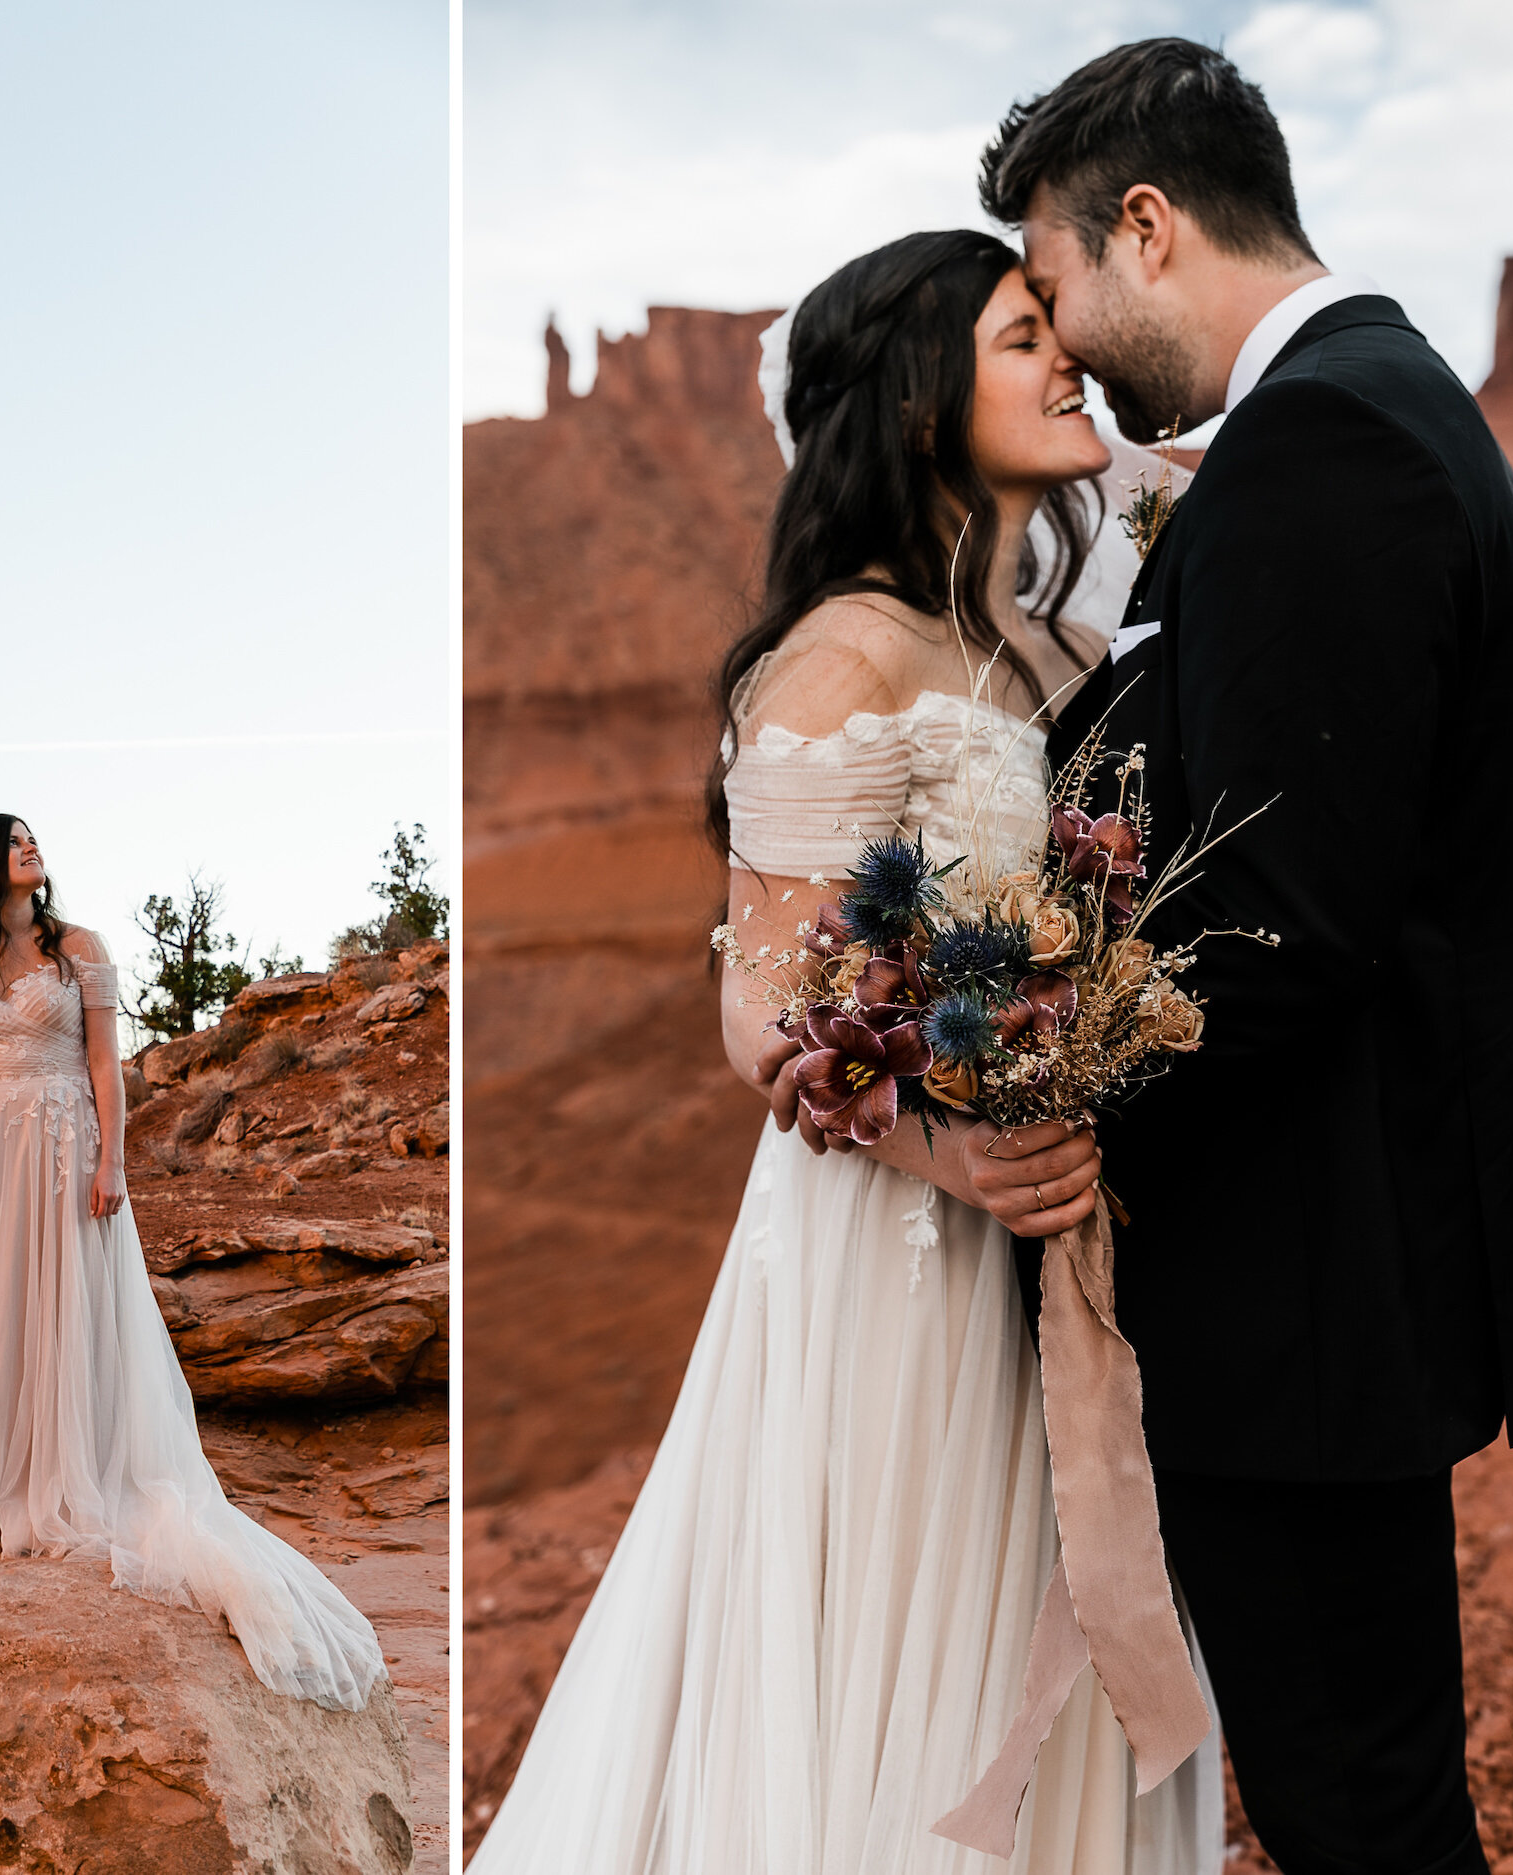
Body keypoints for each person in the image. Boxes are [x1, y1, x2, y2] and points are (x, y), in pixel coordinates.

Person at [470, 228, 1223, 1874]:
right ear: (918, 401)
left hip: (1045, 1236)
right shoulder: (844, 654)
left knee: (1051, 1626)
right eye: (1025, 338)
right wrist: (951, 1148)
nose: (1066, 361)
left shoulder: (1025, 648)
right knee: (908, 1664)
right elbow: (760, 1004)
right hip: (903, 1251)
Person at [977, 40, 1513, 1874]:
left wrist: (1029, 1071)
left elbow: (1271, 929)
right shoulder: (1388, 403)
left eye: (1061, 276)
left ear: (1149, 228)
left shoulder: (1324, 440)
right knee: (1369, 1789)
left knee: (1365, 1817)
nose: (1069, 337)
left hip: (1308, 1283)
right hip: (1354, 1261)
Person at [0, 814, 388, 1710]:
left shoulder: (78, 947)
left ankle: (74, 1484)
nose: (32, 847)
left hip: (63, 1147)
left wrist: (112, 1162)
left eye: (33, 839)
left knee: (68, 1313)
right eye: (13, 840)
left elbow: (107, 1066)